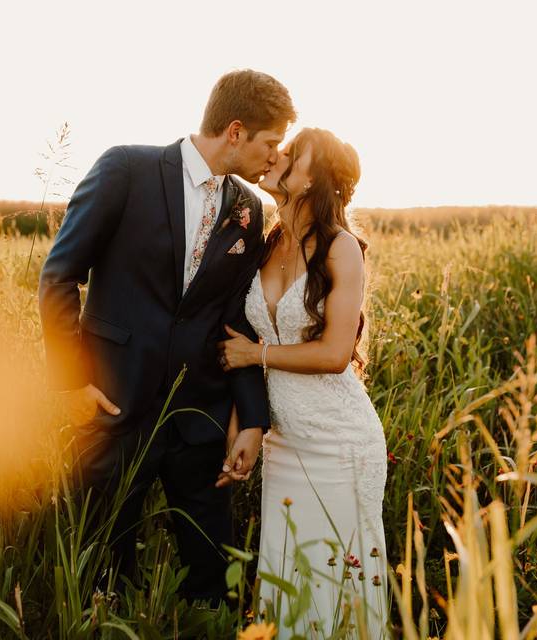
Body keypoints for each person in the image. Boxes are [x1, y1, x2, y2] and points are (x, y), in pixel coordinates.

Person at [38, 69, 296, 602]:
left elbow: (239, 319)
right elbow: (60, 274)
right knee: (101, 577)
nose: (275, 158)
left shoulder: (248, 210)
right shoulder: (125, 170)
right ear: (236, 130)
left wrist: (251, 418)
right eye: (271, 143)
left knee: (216, 578)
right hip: (114, 407)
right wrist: (71, 382)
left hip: (198, 419)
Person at [218, 128, 389, 637]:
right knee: (287, 578)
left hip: (340, 443)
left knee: (337, 583)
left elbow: (337, 354)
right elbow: (237, 338)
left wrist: (257, 353)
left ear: (316, 179)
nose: (278, 156)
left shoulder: (340, 249)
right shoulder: (267, 242)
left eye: (292, 155)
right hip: (284, 444)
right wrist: (242, 426)